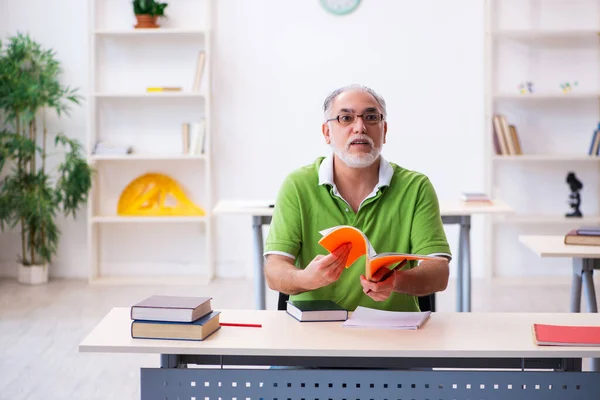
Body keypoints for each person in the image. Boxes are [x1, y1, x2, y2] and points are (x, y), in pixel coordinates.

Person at [263, 84, 451, 312]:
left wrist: (395, 282)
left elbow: (439, 273)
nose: (360, 127)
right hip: (316, 331)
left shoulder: (416, 187)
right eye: (345, 118)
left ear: (384, 130)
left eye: (371, 117)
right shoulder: (297, 185)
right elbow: (274, 271)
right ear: (326, 132)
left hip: (393, 334)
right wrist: (305, 279)